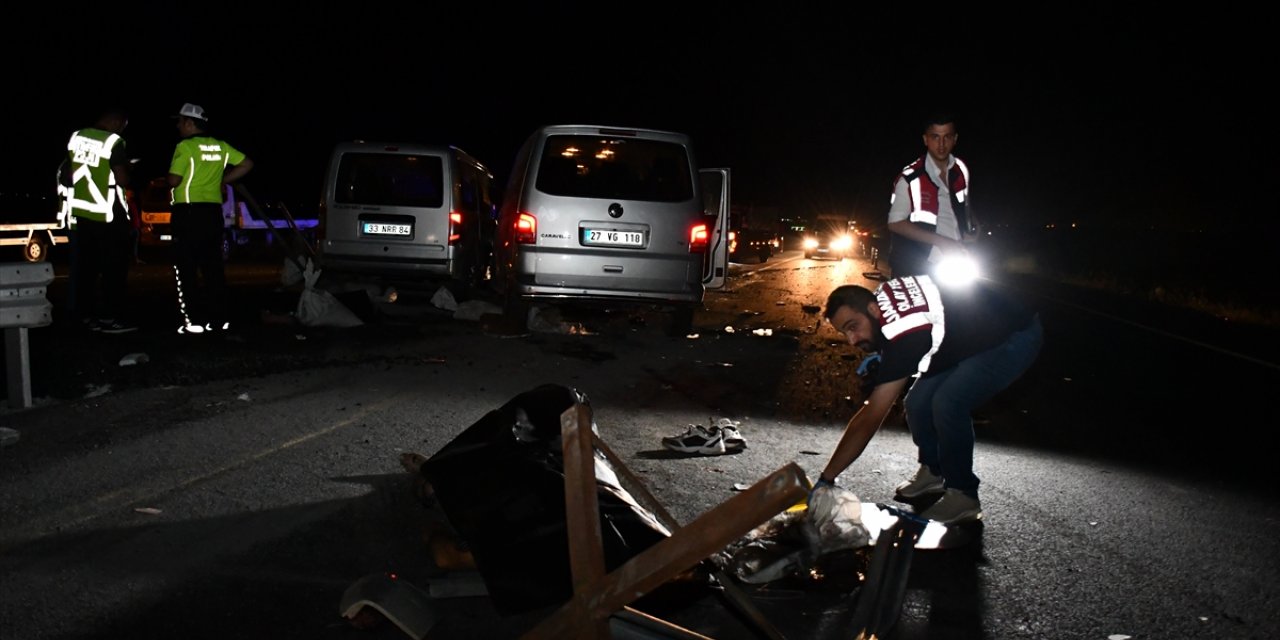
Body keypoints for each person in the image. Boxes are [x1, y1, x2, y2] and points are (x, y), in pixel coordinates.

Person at [810, 275, 1043, 524]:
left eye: (853, 326)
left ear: (873, 309)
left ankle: (963, 495)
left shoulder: (904, 335)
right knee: (917, 403)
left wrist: (827, 477)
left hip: (1012, 336)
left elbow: (871, 417)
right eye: (845, 332)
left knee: (948, 402)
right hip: (965, 337)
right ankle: (933, 471)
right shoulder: (880, 299)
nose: (852, 340)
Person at [167, 102, 253, 334]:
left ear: (189, 123)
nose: (178, 126)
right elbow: (247, 163)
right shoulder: (221, 146)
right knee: (212, 266)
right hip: (212, 213)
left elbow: (174, 180)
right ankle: (218, 319)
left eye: (180, 121)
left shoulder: (185, 147)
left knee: (186, 267)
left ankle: (193, 321)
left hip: (188, 212)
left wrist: (172, 177)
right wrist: (223, 180)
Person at [59, 108, 137, 334]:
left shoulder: (76, 137)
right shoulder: (113, 142)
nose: (122, 131)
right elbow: (122, 179)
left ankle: (85, 317)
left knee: (86, 270)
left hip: (83, 214)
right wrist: (129, 170)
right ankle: (111, 318)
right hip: (108, 214)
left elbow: (66, 177)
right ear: (116, 122)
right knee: (114, 269)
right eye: (122, 127)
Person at [885, 112, 978, 279]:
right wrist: (942, 241)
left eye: (947, 137)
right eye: (935, 137)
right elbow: (895, 223)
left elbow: (964, 204)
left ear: (955, 139)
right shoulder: (910, 177)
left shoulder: (960, 170)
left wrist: (974, 225)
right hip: (916, 267)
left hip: (955, 268)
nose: (941, 144)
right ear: (925, 139)